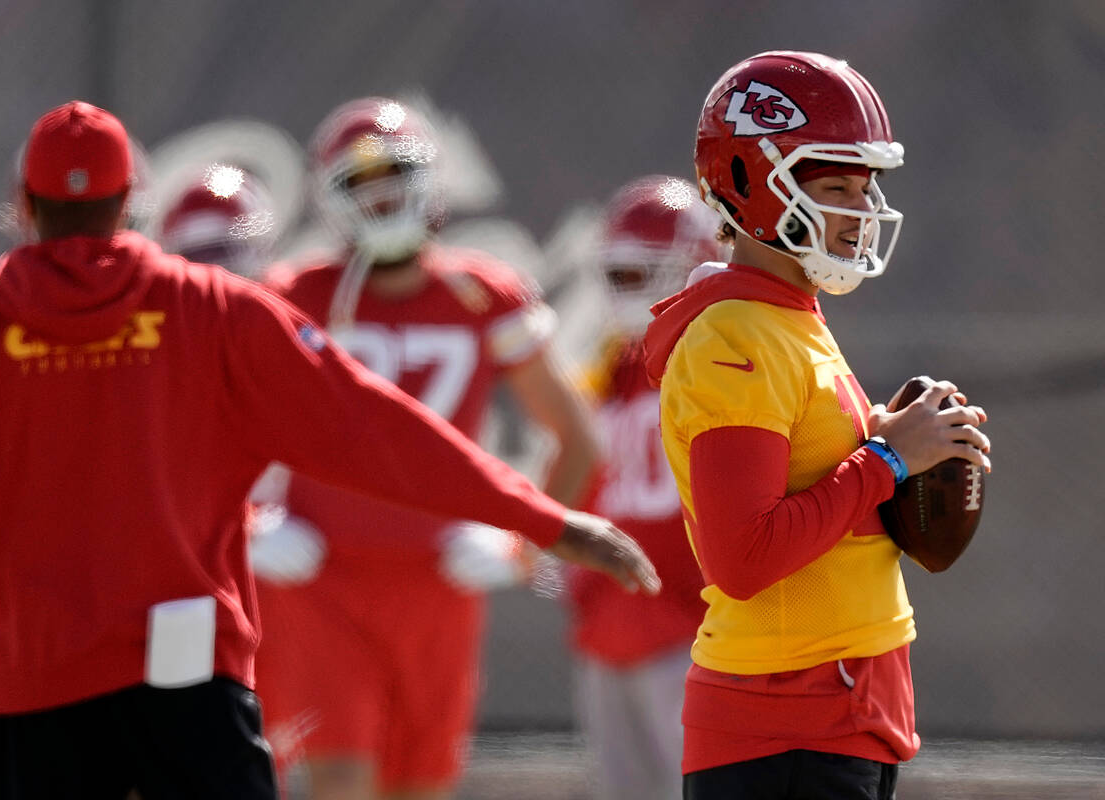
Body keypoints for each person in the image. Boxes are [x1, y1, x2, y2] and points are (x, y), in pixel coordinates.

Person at [0, 100, 659, 800]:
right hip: (191, 677)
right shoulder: (215, 307)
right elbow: (379, 430)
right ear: (134, 199)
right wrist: (544, 520)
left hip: (38, 678)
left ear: (27, 207)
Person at [642, 51, 993, 799]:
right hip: (788, 712)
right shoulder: (736, 334)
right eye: (836, 186)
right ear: (747, 185)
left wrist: (905, 443)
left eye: (866, 189)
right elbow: (742, 558)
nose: (860, 212)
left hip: (836, 703)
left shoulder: (788, 315)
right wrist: (888, 462)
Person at [249, 96, 599, 800]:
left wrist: (518, 546)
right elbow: (213, 432)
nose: (382, 197)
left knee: (420, 786)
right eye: (361, 183)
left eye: (395, 176)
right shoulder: (295, 295)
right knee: (339, 781)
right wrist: (250, 524)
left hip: (439, 583)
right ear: (332, 197)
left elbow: (578, 441)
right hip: (322, 581)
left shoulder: (480, 294)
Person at [565, 174, 727, 800]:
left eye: (643, 274)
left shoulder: (721, 356)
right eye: (619, 276)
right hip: (614, 621)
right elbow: (587, 471)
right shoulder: (617, 363)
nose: (626, 292)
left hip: (694, 626)